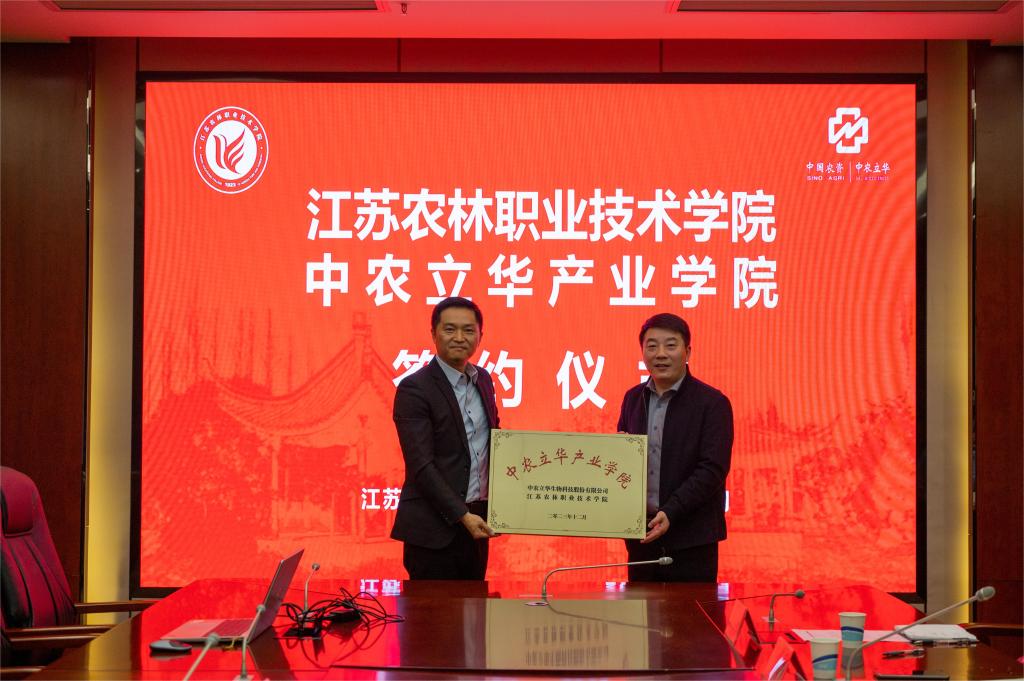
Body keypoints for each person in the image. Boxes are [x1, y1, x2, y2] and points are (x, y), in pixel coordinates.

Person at [617, 313, 733, 582]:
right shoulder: (633, 399)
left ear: (687, 351)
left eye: (670, 345)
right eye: (652, 346)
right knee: (640, 608)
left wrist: (672, 511)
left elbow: (712, 469)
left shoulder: (712, 403)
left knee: (690, 610)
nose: (660, 354)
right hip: (642, 538)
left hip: (692, 539)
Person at [390, 297, 499, 580]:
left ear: (480, 336)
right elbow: (421, 465)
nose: (459, 338)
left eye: (468, 330)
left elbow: (496, 445)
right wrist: (462, 515)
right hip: (433, 532)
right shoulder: (415, 388)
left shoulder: (483, 380)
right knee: (433, 610)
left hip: (477, 524)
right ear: (434, 334)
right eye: (450, 329)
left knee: (475, 606)